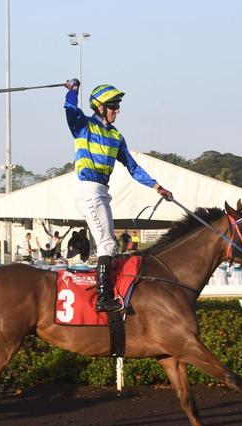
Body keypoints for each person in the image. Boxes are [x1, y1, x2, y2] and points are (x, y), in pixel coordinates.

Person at [64, 78, 173, 312]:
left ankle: (109, 291)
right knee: (107, 244)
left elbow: (133, 167)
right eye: (113, 106)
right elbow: (70, 109)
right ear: (100, 107)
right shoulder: (82, 125)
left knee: (110, 244)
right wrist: (73, 91)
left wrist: (157, 186)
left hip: (102, 193)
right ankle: (103, 299)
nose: (117, 110)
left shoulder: (116, 137)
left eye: (118, 106)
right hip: (89, 190)